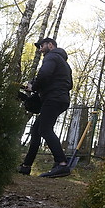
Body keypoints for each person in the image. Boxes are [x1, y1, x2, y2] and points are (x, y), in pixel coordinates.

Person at [19, 38, 73, 178]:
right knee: (36, 130)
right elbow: (69, 84)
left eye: (41, 46)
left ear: (50, 45)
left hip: (53, 99)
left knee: (44, 129)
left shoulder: (51, 56)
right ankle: (26, 166)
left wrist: (34, 86)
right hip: (61, 99)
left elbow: (44, 75)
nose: (40, 49)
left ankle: (62, 164)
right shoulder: (65, 65)